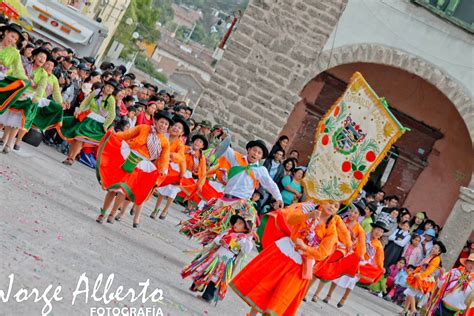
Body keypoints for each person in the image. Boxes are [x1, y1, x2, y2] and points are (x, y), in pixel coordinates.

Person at [230, 201, 339, 316]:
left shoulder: (332, 231)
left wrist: (305, 247)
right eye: (330, 202)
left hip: (301, 264)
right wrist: (308, 216)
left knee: (279, 299)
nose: (332, 206)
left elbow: (322, 253)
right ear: (323, 201)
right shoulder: (308, 209)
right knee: (264, 285)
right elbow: (290, 219)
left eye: (336, 206)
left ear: (337, 211)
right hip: (285, 252)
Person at [179, 139, 284, 245]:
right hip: (224, 201)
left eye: (259, 153)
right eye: (254, 150)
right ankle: (204, 249)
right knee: (211, 226)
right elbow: (224, 148)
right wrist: (223, 138)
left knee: (229, 232)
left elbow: (271, 184)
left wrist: (279, 198)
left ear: (261, 157)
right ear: (248, 149)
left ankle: (219, 254)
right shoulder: (236, 158)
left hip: (240, 205)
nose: (255, 154)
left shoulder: (261, 170)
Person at [95, 110, 173, 228]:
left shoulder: (165, 142)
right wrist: (114, 135)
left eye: (166, 124)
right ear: (156, 121)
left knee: (124, 190)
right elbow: (126, 135)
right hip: (128, 157)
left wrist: (162, 169)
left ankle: (112, 213)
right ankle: (103, 212)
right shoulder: (143, 128)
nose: (163, 126)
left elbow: (164, 159)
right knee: (114, 187)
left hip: (142, 166)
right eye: (162, 122)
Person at [182, 213, 255, 303]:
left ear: (245, 229)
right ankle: (197, 286)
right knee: (205, 271)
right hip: (215, 257)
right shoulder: (228, 231)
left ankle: (207, 296)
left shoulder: (243, 239)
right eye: (236, 222)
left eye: (240, 224)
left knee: (215, 279)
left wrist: (249, 237)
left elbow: (246, 250)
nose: (236, 224)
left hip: (225, 262)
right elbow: (217, 238)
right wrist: (220, 241)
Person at [310, 201, 366, 303]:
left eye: (356, 213)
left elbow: (362, 243)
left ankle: (316, 294)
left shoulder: (359, 229)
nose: (352, 214)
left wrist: (361, 254)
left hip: (341, 252)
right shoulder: (340, 219)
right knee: (316, 268)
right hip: (331, 244)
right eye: (351, 211)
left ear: (359, 216)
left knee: (325, 273)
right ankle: (305, 291)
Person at [325, 220, 388, 308]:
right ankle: (329, 295)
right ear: (373, 229)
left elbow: (379, 259)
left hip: (362, 264)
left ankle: (344, 298)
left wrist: (381, 267)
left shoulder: (379, 245)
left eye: (381, 231)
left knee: (352, 281)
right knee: (339, 275)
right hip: (353, 257)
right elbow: (355, 243)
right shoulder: (363, 236)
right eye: (378, 230)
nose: (379, 232)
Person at [59, 80, 118, 165]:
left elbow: (112, 115)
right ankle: (70, 157)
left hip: (96, 124)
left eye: (112, 88)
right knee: (76, 137)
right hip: (87, 118)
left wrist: (105, 126)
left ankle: (71, 158)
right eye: (109, 86)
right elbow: (86, 102)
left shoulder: (111, 99)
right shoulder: (96, 92)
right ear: (105, 85)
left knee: (80, 138)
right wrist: (79, 110)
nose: (109, 89)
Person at [151, 115, 189, 220]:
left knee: (171, 191)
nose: (176, 128)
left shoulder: (180, 145)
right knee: (161, 190)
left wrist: (171, 155)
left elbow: (181, 158)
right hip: (160, 164)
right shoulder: (163, 136)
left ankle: (165, 210)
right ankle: (155, 209)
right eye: (175, 125)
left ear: (181, 133)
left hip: (174, 169)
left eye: (179, 128)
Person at [403, 240, 447, 315]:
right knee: (410, 292)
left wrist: (420, 275)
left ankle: (413, 310)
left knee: (410, 292)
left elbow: (430, 270)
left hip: (426, 278)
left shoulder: (436, 259)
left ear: (439, 252)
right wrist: (414, 272)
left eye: (436, 248)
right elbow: (421, 266)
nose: (433, 249)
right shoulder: (430, 256)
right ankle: (405, 310)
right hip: (421, 275)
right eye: (433, 247)